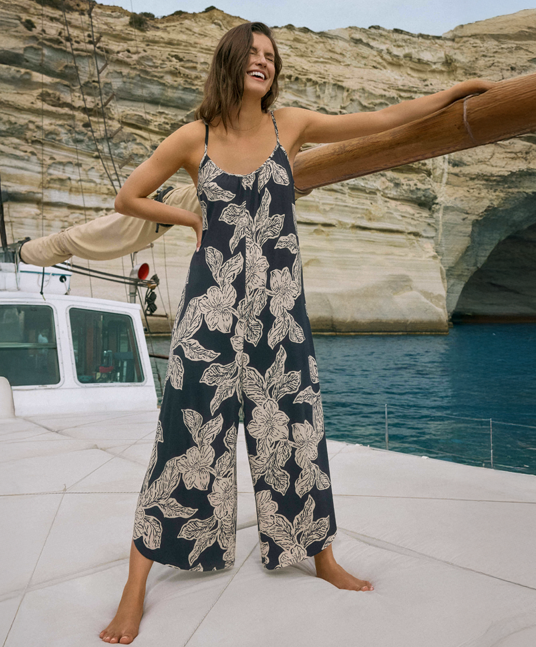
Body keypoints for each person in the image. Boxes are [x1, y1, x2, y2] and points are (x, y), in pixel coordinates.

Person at [99, 21, 494, 645]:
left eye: (270, 56)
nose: (263, 62)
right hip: (209, 313)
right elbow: (128, 198)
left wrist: (452, 93)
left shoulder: (291, 125)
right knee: (183, 437)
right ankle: (134, 588)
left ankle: (322, 557)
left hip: (279, 313)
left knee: (295, 431)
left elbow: (380, 121)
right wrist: (189, 219)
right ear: (230, 62)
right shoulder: (194, 137)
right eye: (252, 54)